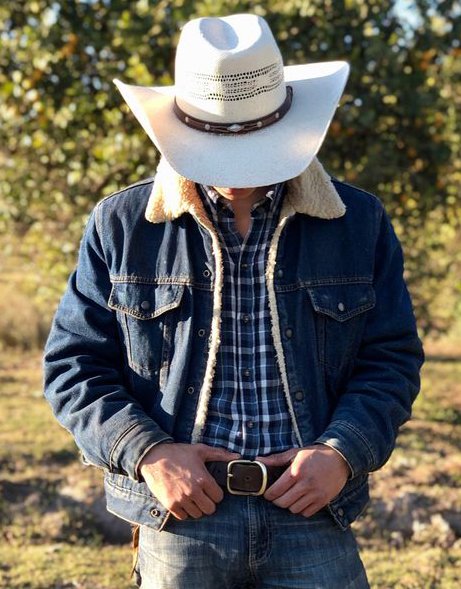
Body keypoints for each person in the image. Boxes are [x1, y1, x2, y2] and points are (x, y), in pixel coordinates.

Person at [43, 13, 424, 589]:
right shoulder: (120, 225)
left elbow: (391, 359)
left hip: (312, 508)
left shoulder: (357, 222)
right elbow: (73, 367)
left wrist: (341, 452)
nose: (239, 176)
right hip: (181, 514)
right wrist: (148, 453)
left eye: (254, 149)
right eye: (218, 149)